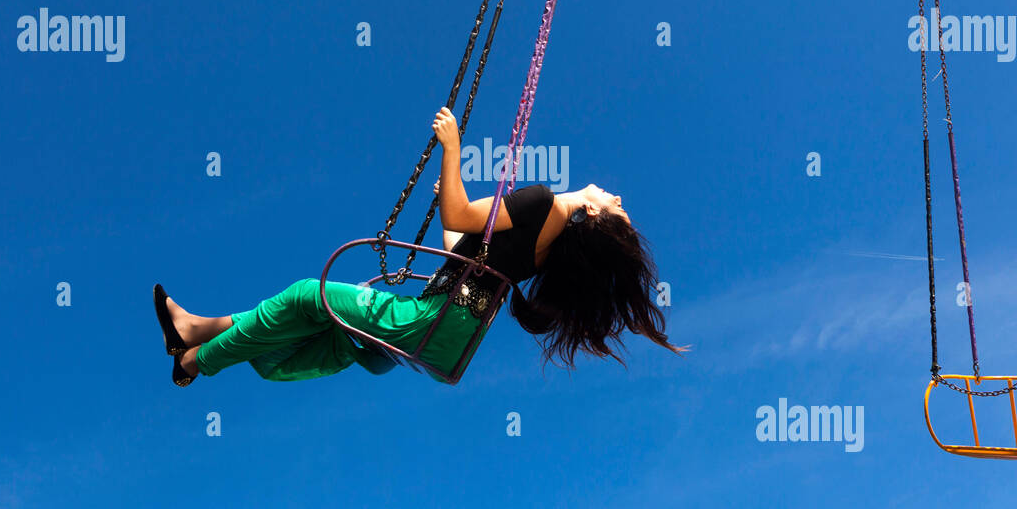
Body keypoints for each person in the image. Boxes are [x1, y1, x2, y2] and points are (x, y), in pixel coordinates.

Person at [155, 107, 687, 387]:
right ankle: (200, 330)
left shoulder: (543, 203)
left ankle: (197, 361)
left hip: (427, 321)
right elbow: (461, 246)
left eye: (618, 206)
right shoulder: (548, 248)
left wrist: (452, 148)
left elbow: (458, 217)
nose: (616, 195)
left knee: (302, 297)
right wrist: (447, 185)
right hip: (447, 344)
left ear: (594, 215)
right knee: (331, 335)